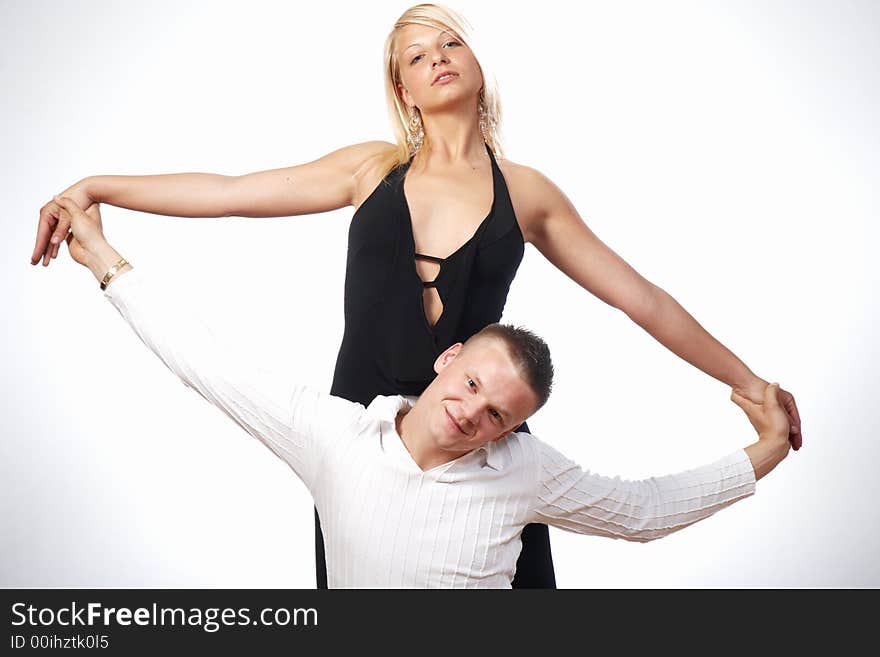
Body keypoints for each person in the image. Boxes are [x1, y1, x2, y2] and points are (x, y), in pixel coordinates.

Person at [30, 4, 802, 589]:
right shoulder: (370, 169)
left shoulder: (525, 194)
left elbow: (642, 298)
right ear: (402, 88)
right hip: (366, 440)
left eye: (451, 43)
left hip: (485, 443)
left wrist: (747, 382)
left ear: (476, 65)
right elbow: (231, 190)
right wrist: (98, 185)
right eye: (417, 55)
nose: (438, 58)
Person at [51, 195, 792, 588]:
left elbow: (642, 511)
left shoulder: (524, 476)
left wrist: (764, 450)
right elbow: (204, 361)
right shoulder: (334, 437)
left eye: (496, 414)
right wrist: (103, 258)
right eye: (472, 384)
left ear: (509, 431)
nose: (471, 412)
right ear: (447, 359)